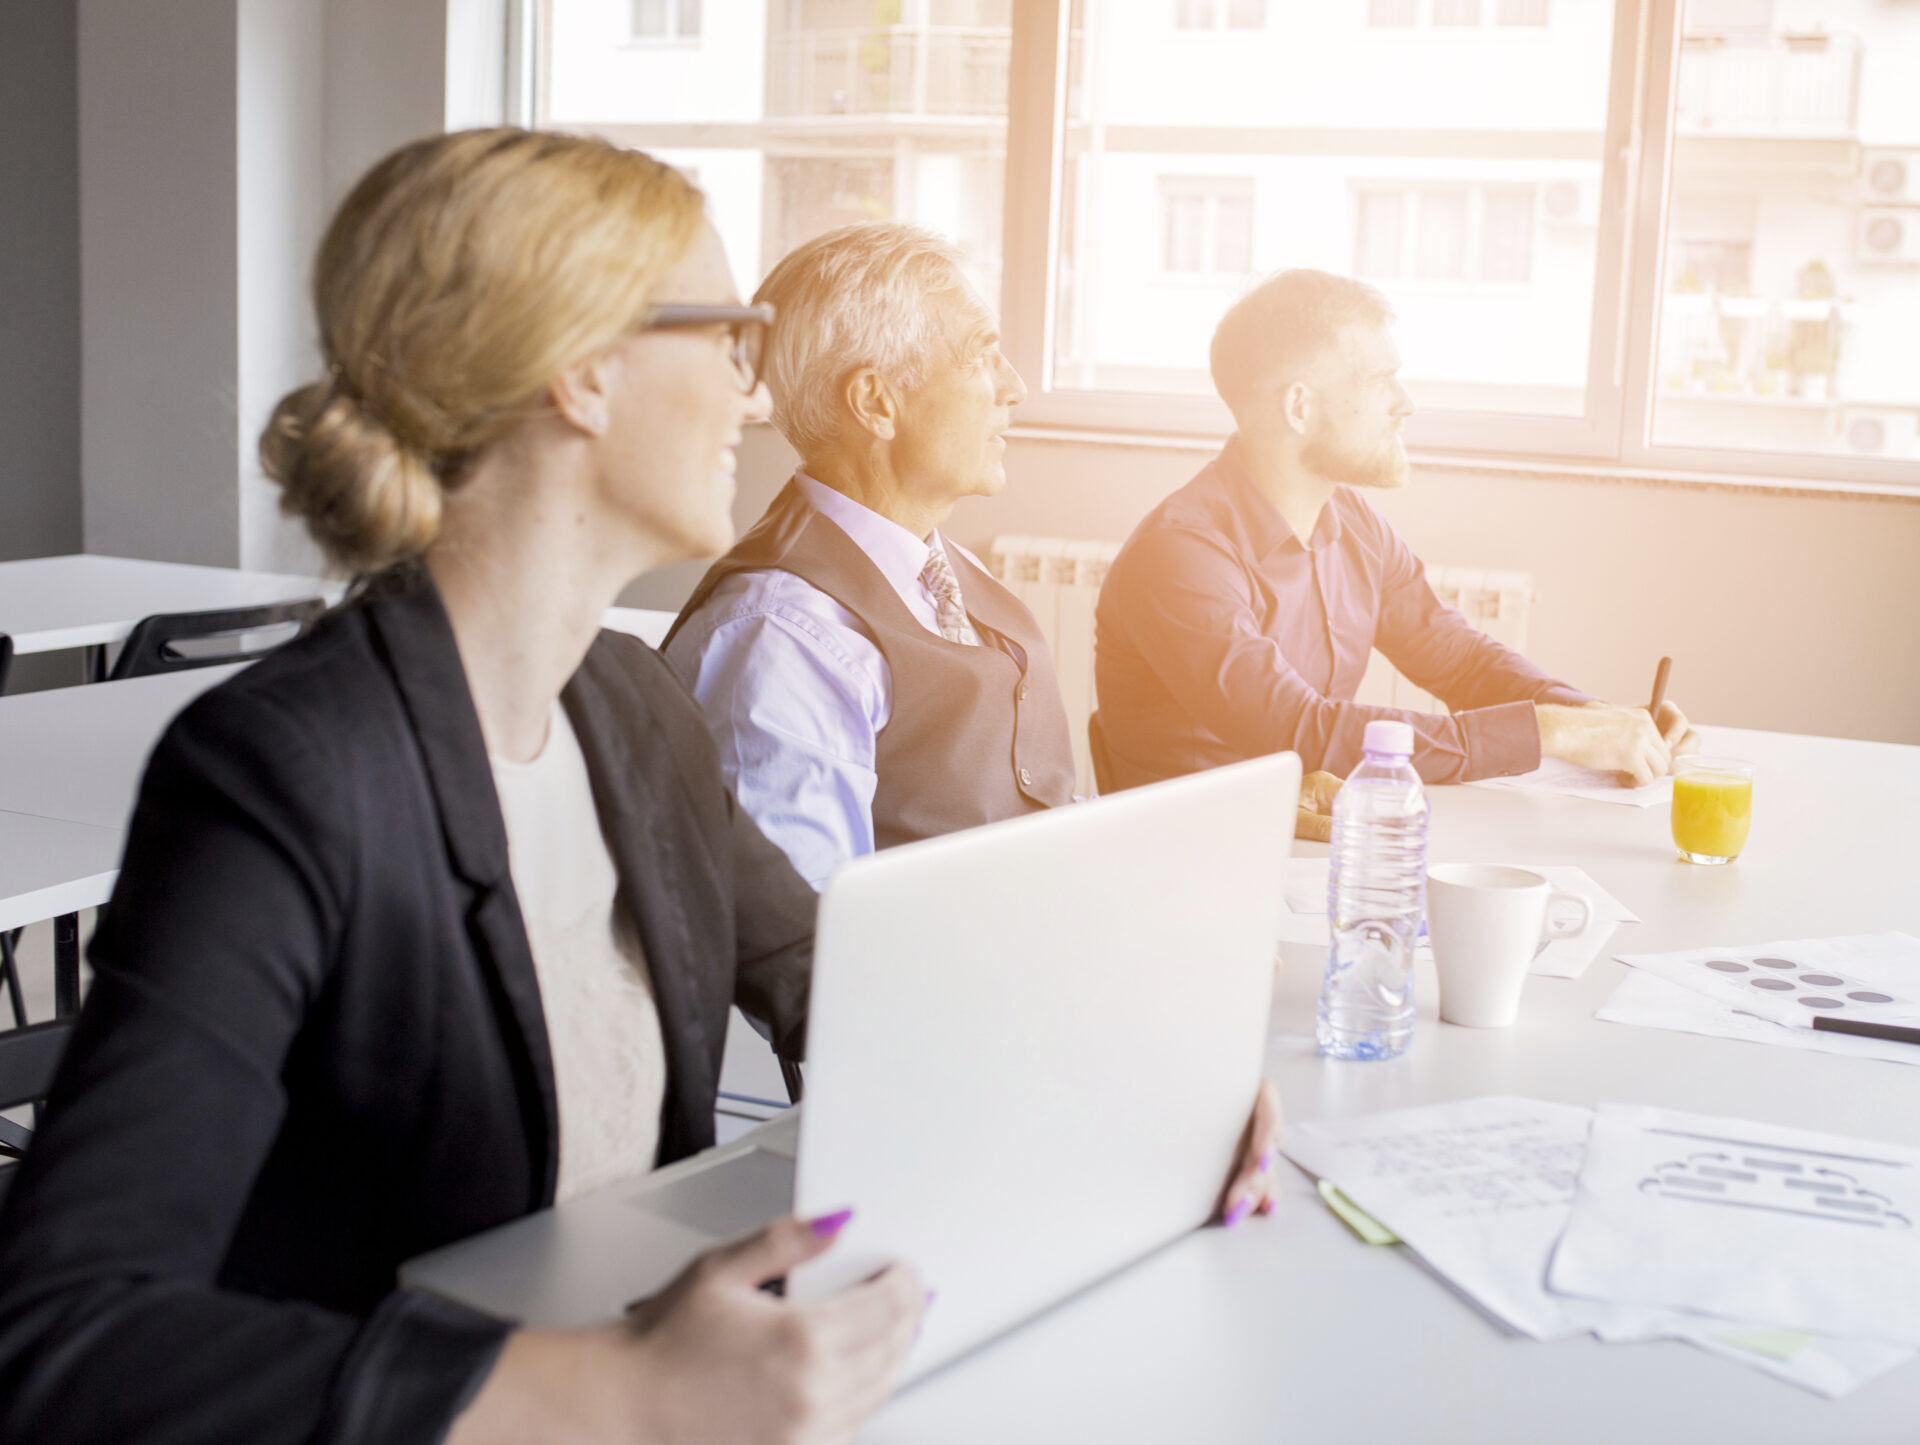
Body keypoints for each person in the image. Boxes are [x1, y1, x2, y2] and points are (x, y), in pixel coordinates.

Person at [0, 132, 1278, 1445]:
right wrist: (617, 1396)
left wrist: (1139, 1092)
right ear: (581, 373)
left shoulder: (635, 711)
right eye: (732, 336)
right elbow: (64, 1329)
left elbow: (866, 986)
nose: (758, 394)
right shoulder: (287, 773)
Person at [1095, 268, 1696, 792]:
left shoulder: (1353, 525)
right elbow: (1299, 731)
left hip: (1305, 846)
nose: (1404, 403)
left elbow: (1460, 662)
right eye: (1381, 379)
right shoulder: (1180, 556)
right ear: (1300, 408)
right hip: (1194, 865)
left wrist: (1597, 719)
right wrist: (1547, 733)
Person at [663, 221, 1078, 891]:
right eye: (981, 354)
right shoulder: (781, 636)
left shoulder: (943, 567)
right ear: (876, 402)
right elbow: (811, 946)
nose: (1015, 386)